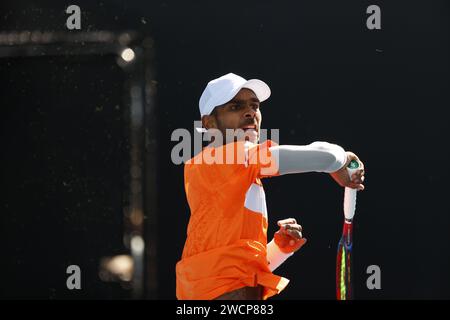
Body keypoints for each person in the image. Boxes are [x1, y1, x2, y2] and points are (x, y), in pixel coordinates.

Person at [176, 73, 365, 300]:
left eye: (254, 106)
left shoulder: (231, 174)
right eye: (235, 106)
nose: (250, 112)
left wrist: (279, 249)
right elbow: (321, 157)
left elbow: (235, 265)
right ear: (209, 123)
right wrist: (342, 158)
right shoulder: (224, 159)